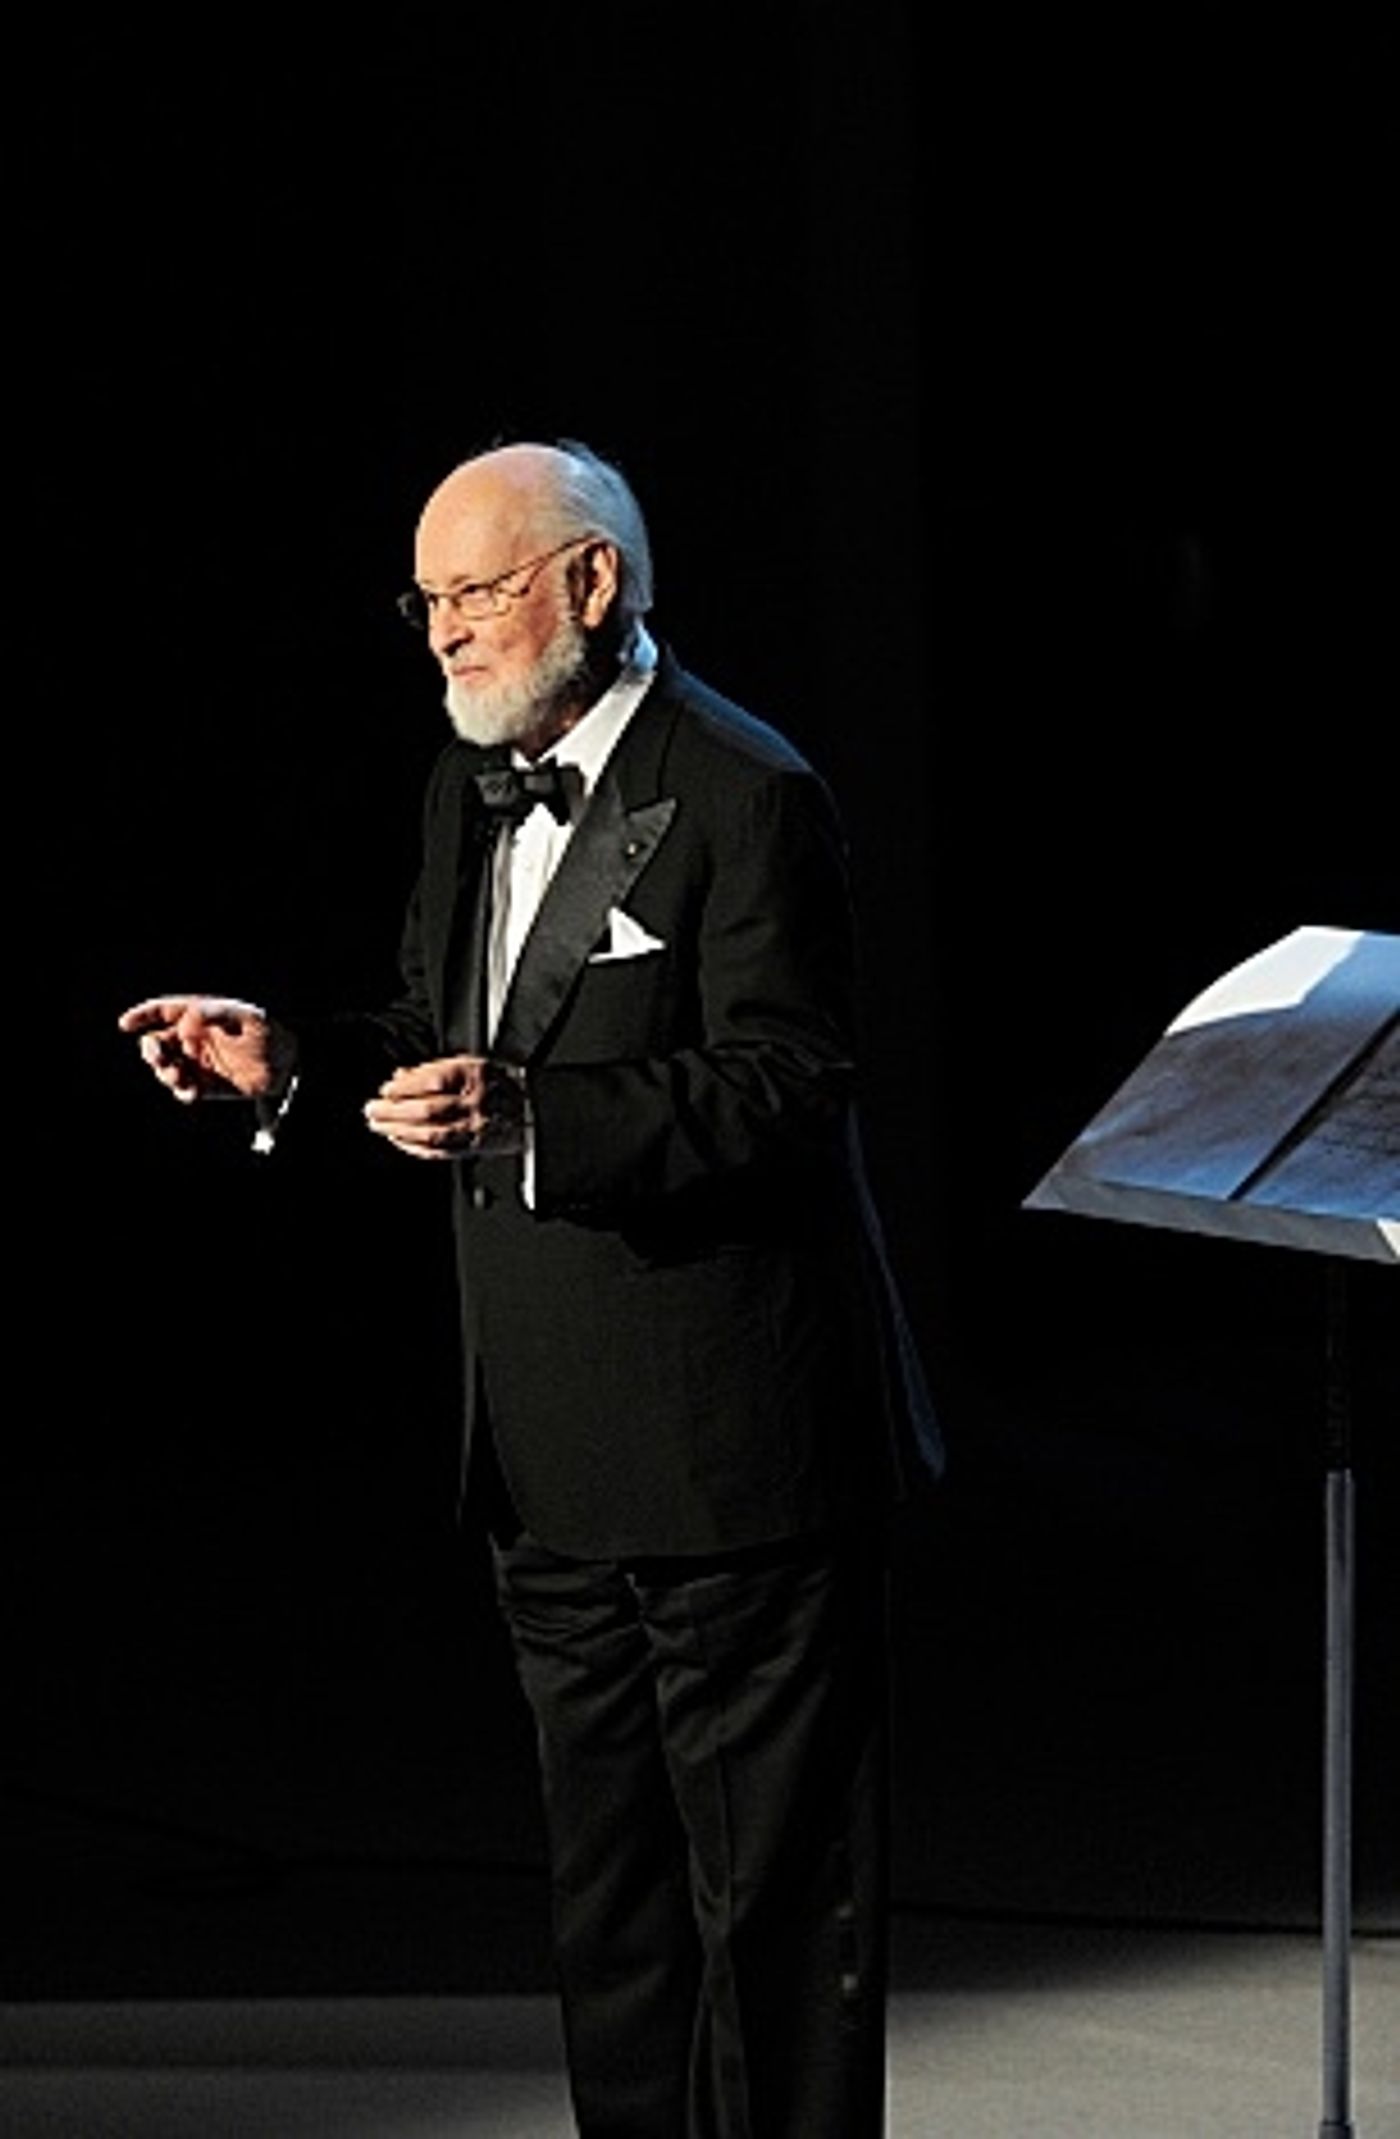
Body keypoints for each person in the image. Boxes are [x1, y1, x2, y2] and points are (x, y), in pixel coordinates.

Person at [119, 437, 944, 2138]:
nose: (441, 636)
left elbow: (794, 1081)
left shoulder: (745, 790)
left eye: (476, 593)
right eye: (423, 602)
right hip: (548, 1459)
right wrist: (292, 1069)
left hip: (737, 1463)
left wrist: (540, 1116)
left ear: (593, 582)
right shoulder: (464, 785)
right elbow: (448, 1048)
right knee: (615, 1917)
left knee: (776, 1927)